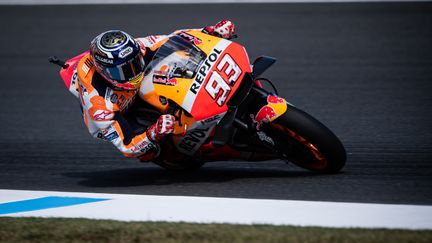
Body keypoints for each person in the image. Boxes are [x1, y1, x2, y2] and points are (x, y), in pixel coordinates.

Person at [75, 20, 235, 161]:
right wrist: (153, 133)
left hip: (131, 91)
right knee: (148, 151)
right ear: (104, 71)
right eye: (124, 71)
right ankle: (168, 155)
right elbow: (126, 146)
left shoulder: (137, 47)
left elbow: (174, 39)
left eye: (136, 63)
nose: (134, 73)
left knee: (177, 59)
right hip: (122, 112)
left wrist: (209, 31)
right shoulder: (99, 105)